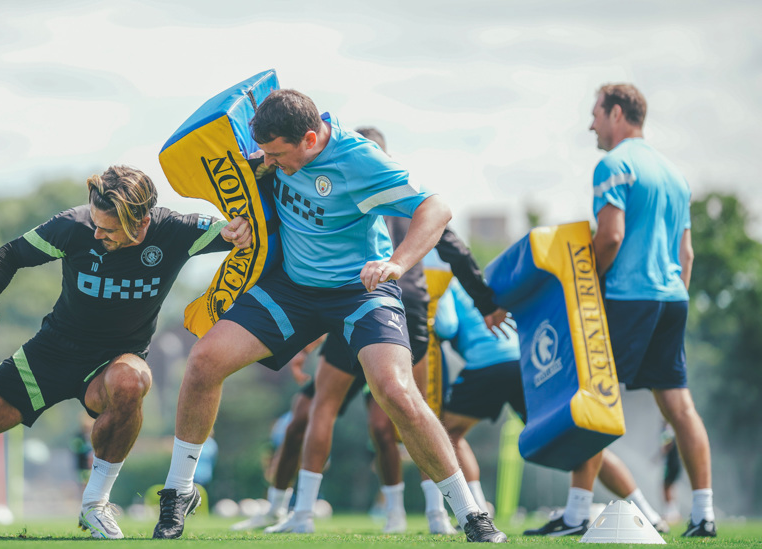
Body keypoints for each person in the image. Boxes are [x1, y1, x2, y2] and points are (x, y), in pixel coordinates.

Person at [152, 89, 506, 542]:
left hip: (358, 292)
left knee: (395, 391)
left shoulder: (358, 159)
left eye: (280, 156)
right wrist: (237, 224)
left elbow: (437, 209)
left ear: (311, 138)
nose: (273, 164)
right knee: (203, 361)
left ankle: (471, 513)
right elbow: (246, 189)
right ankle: (179, 492)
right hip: (292, 289)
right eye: (268, 155)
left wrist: (396, 263)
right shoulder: (273, 151)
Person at [0, 165, 252, 538]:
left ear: (140, 222)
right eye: (96, 222)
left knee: (132, 380)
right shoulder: (74, 226)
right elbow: (9, 255)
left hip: (114, 361)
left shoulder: (176, 231)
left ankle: (94, 505)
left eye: (108, 228)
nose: (97, 232)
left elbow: (243, 230)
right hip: (49, 355)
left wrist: (242, 228)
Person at [257, 126, 509, 537]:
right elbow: (456, 250)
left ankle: (304, 513)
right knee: (414, 409)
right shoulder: (406, 194)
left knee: (328, 406)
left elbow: (320, 271)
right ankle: (436, 515)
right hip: (408, 306)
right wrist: (487, 303)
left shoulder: (346, 186)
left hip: (366, 300)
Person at [524, 83, 714, 538]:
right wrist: (674, 298)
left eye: (595, 114)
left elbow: (609, 237)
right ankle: (703, 514)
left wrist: (588, 284)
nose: (591, 125)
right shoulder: (674, 174)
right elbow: (686, 254)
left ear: (615, 113)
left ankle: (575, 515)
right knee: (680, 407)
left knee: (593, 396)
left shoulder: (614, 164)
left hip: (628, 297)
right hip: (672, 297)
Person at [436, 279, 668, 534]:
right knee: (578, 441)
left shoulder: (443, 280)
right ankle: (648, 513)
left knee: (446, 434)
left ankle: (476, 513)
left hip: (487, 364)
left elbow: (445, 326)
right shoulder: (479, 279)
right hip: (523, 364)